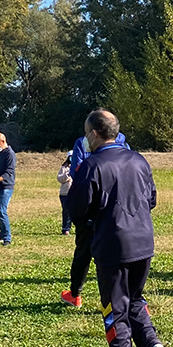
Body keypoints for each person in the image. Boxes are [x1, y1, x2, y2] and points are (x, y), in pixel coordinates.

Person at [67, 109, 168, 347]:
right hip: (143, 241)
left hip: (112, 244)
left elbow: (77, 210)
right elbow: (152, 198)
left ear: (94, 133)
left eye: (87, 133)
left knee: (114, 308)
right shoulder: (139, 159)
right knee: (135, 299)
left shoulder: (91, 165)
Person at [63, 130, 128, 307]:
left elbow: (77, 173)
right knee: (119, 252)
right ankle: (130, 299)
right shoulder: (123, 143)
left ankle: (75, 294)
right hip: (118, 206)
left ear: (93, 132)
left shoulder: (82, 142)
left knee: (84, 251)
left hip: (91, 205)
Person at [57, 154, 74, 235]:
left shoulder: (79, 166)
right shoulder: (64, 168)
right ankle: (66, 228)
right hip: (65, 193)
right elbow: (59, 178)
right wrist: (67, 175)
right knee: (66, 211)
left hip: (75, 193)